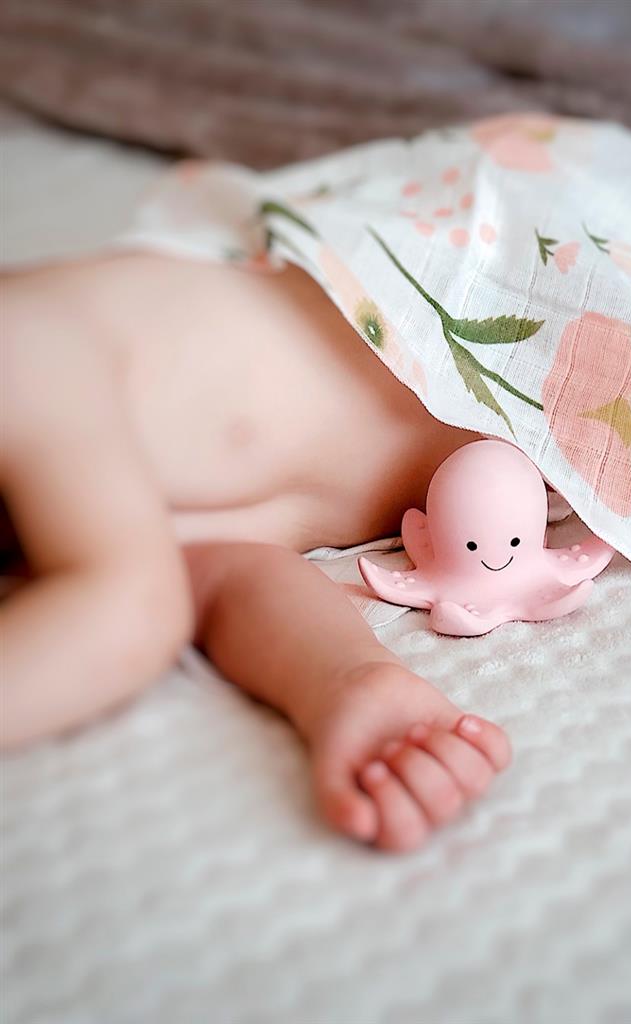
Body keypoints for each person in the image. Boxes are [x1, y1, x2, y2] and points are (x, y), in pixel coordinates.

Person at [0, 251, 512, 852]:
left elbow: (136, 611)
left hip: (496, 266)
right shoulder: (61, 552)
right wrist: (349, 677)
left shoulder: (19, 339)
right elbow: (222, 585)